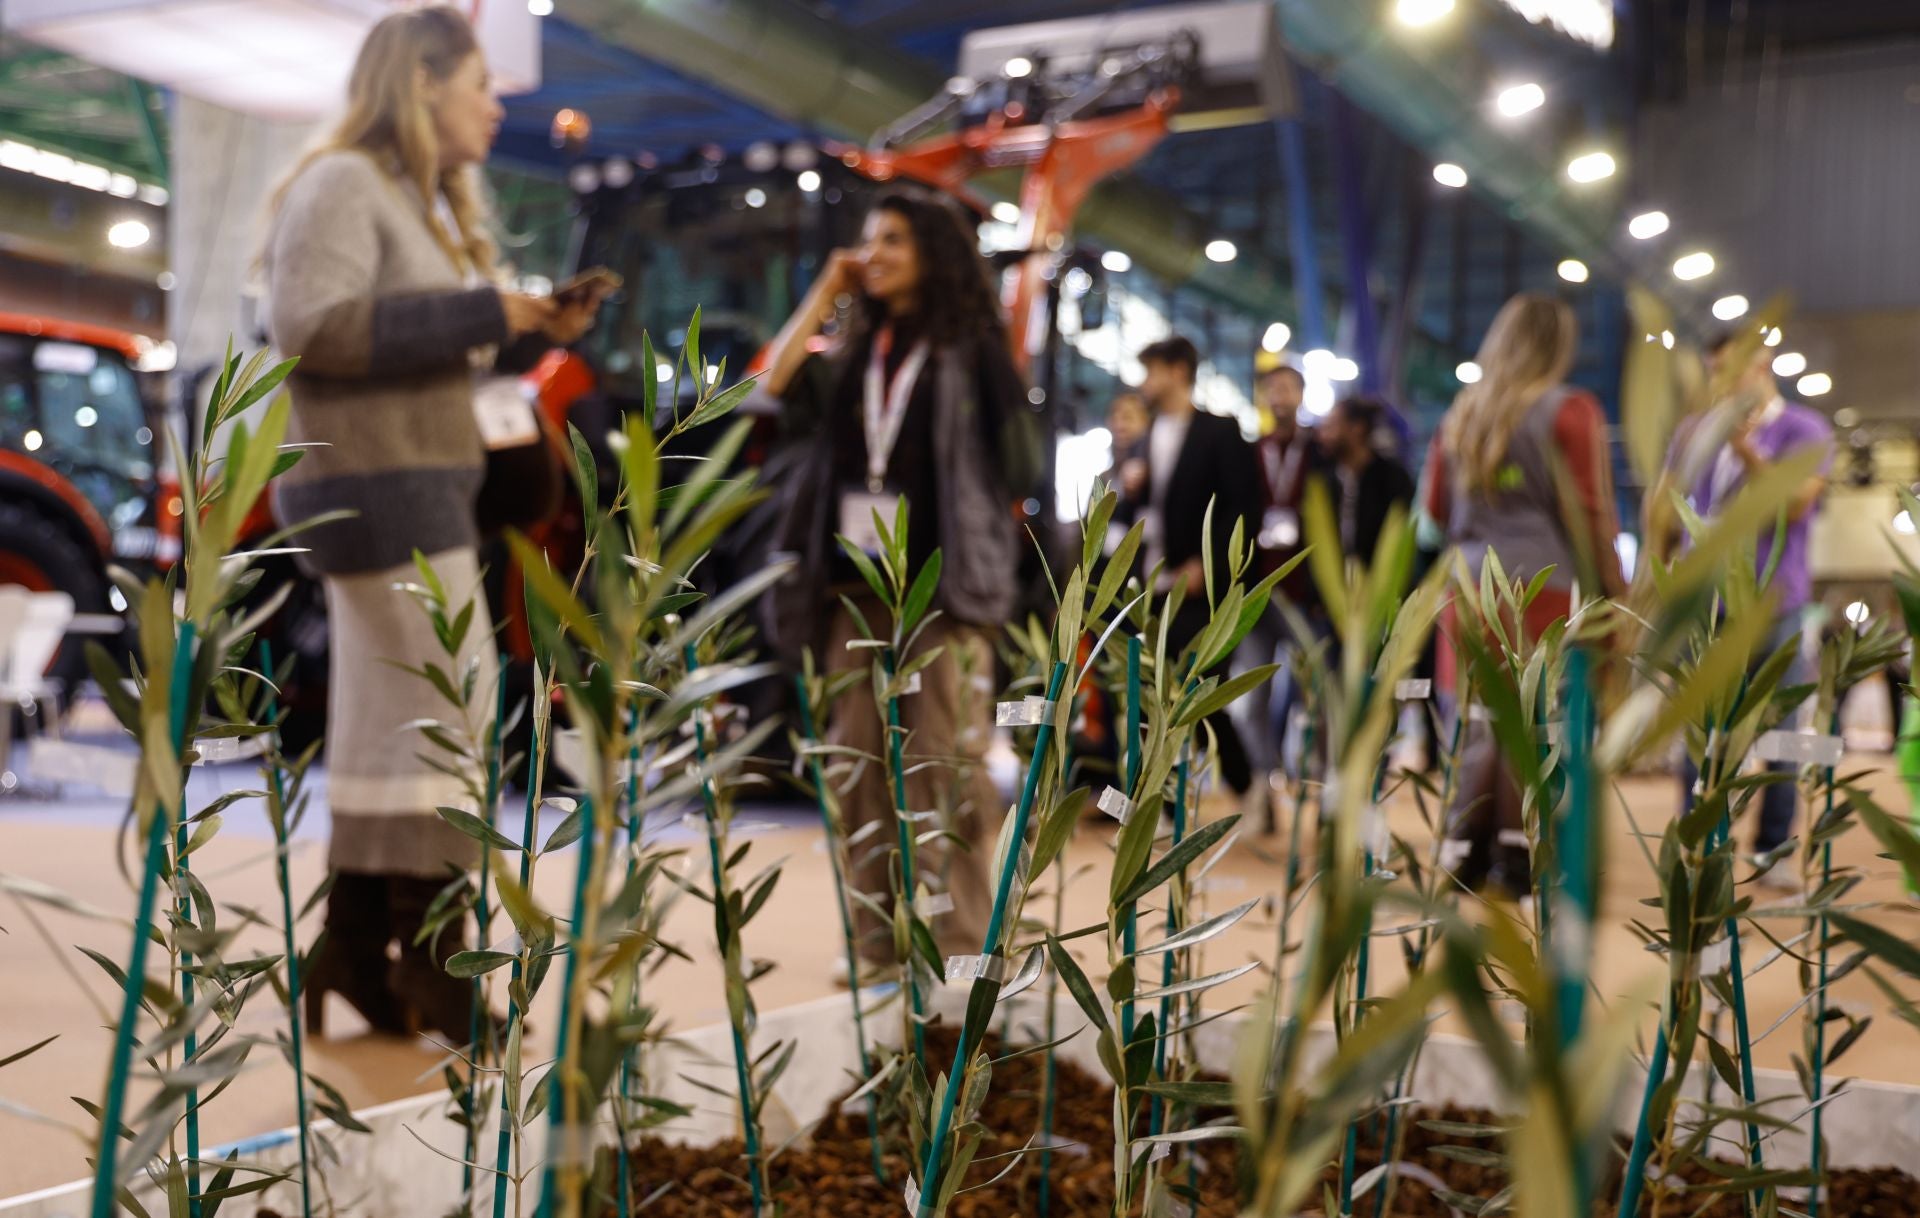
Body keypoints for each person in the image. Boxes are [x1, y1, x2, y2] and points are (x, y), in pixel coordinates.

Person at [264, 5, 601, 1039]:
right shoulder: (344, 183)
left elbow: (384, 340)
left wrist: (520, 323)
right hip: (385, 495)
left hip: (400, 489)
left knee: (383, 730)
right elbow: (311, 324)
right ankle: (440, 962)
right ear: (421, 83)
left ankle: (358, 951)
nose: (496, 104)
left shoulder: (398, 196)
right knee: (452, 721)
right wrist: (484, 312)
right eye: (480, 85)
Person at [754, 188, 1039, 973]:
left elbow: (1022, 462)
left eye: (892, 242)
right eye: (867, 240)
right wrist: (825, 292)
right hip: (851, 590)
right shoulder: (851, 350)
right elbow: (766, 391)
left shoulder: (973, 347)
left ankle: (958, 942)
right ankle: (877, 944)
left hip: (942, 592)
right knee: (857, 770)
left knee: (942, 766)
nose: (872, 254)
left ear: (934, 256)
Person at [1421, 294, 1625, 893]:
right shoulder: (1570, 411)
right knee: (1534, 723)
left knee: (1477, 723)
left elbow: (1434, 512)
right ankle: (1519, 857)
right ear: (1557, 346)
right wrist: (1617, 597)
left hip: (1464, 587)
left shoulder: (1460, 414)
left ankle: (1466, 850)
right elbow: (1591, 514)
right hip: (1537, 586)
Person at [1658, 331, 1832, 873]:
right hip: (1704, 605)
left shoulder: (1804, 429)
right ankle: (1698, 842)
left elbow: (1798, 505)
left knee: (1780, 724)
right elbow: (1665, 507)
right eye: (1716, 370)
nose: (1723, 382)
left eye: (1733, 369)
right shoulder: (1693, 432)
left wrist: (1742, 448)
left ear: (1764, 365)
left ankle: (1773, 848)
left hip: (1774, 602)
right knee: (1700, 728)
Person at [1118, 335, 1265, 794]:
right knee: (1147, 695)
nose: (1144, 382)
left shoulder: (1219, 432)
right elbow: (1135, 514)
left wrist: (1208, 565)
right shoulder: (1144, 438)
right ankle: (1155, 803)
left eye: (1151, 370)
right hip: (1148, 587)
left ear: (1178, 371)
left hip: (1198, 588)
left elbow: (1242, 509)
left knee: (1198, 694)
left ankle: (1245, 782)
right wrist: (1131, 488)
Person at [1317, 395, 1416, 566]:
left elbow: (1397, 539)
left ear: (1357, 428)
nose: (1322, 435)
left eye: (1331, 426)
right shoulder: (1322, 479)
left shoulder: (1392, 479)